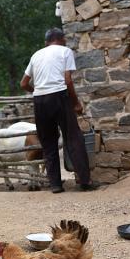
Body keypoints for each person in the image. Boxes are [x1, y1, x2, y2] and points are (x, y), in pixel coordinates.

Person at [20, 27, 97, 193]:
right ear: (61, 39)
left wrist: (39, 93)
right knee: (74, 138)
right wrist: (75, 102)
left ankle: (55, 184)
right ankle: (85, 181)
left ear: (46, 42)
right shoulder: (65, 51)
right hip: (60, 96)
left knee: (48, 142)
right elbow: (67, 80)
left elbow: (24, 83)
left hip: (40, 100)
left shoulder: (36, 55)